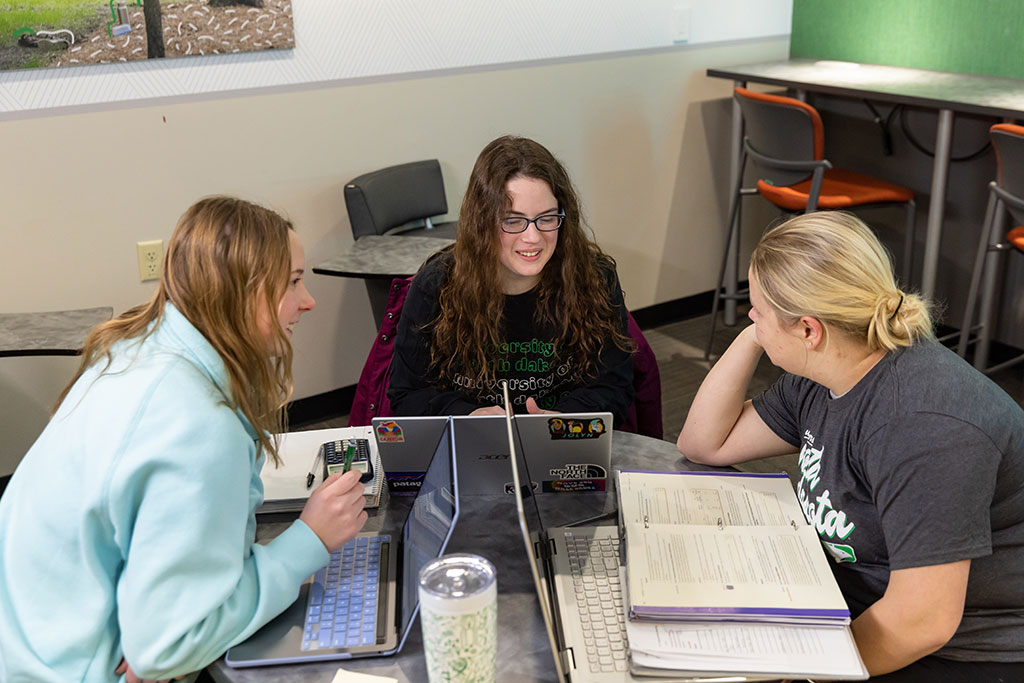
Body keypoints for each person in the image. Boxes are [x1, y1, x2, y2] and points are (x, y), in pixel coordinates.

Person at [0, 197, 367, 682]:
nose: (308, 300)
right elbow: (165, 649)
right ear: (245, 292)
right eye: (294, 282)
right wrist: (308, 540)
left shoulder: (136, 347)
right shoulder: (197, 422)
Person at [677, 211, 1024, 681]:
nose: (751, 317)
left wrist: (799, 674)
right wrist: (758, 332)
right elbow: (704, 443)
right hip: (856, 591)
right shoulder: (826, 370)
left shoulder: (924, 427)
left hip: (961, 646)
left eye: (755, 309)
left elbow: (922, 622)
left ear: (808, 330)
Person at [388, 135, 635, 424]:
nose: (533, 237)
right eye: (512, 221)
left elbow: (614, 384)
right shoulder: (438, 285)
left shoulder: (594, 276)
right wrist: (469, 415)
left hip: (564, 439)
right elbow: (408, 394)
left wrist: (560, 419)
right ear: (482, 223)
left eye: (546, 218)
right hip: (472, 442)